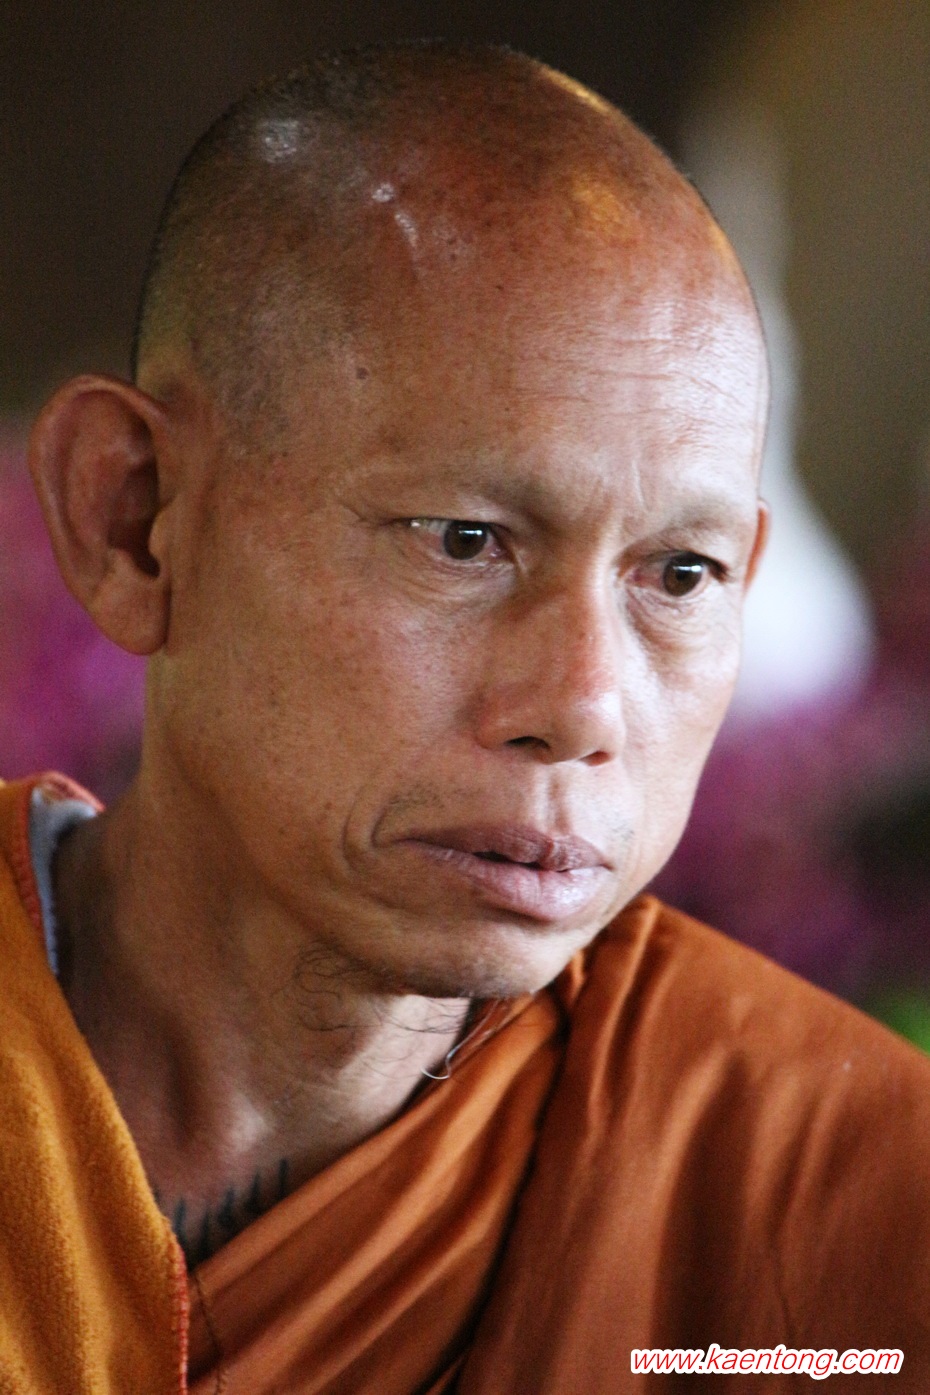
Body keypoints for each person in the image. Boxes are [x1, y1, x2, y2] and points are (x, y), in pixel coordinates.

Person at [2, 41, 928, 1394]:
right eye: (463, 541)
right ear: (133, 517)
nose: (583, 707)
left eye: (679, 576)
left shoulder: (840, 1195)